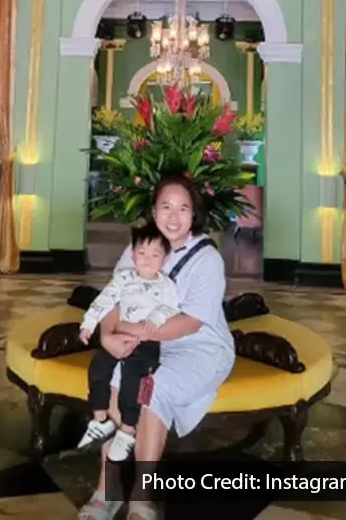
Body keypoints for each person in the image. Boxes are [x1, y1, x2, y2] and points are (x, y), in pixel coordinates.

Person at [78, 173, 235, 520]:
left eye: (183, 208)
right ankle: (107, 489)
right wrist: (107, 335)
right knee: (117, 383)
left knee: (152, 389)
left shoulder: (207, 259)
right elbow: (114, 297)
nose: (174, 216)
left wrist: (131, 330)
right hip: (144, 340)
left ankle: (141, 498)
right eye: (166, 207)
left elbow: (190, 322)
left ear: (194, 215)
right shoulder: (139, 247)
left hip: (200, 347)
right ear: (153, 210)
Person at [77, 221, 180, 461]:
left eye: (155, 254)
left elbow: (171, 308)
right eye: (141, 253)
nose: (147, 259)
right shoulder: (124, 278)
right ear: (132, 254)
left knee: (132, 381)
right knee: (99, 368)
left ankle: (127, 428)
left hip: (147, 342)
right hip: (119, 336)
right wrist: (88, 323)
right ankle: (100, 418)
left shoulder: (166, 285)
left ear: (164, 259)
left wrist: (157, 317)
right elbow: (105, 302)